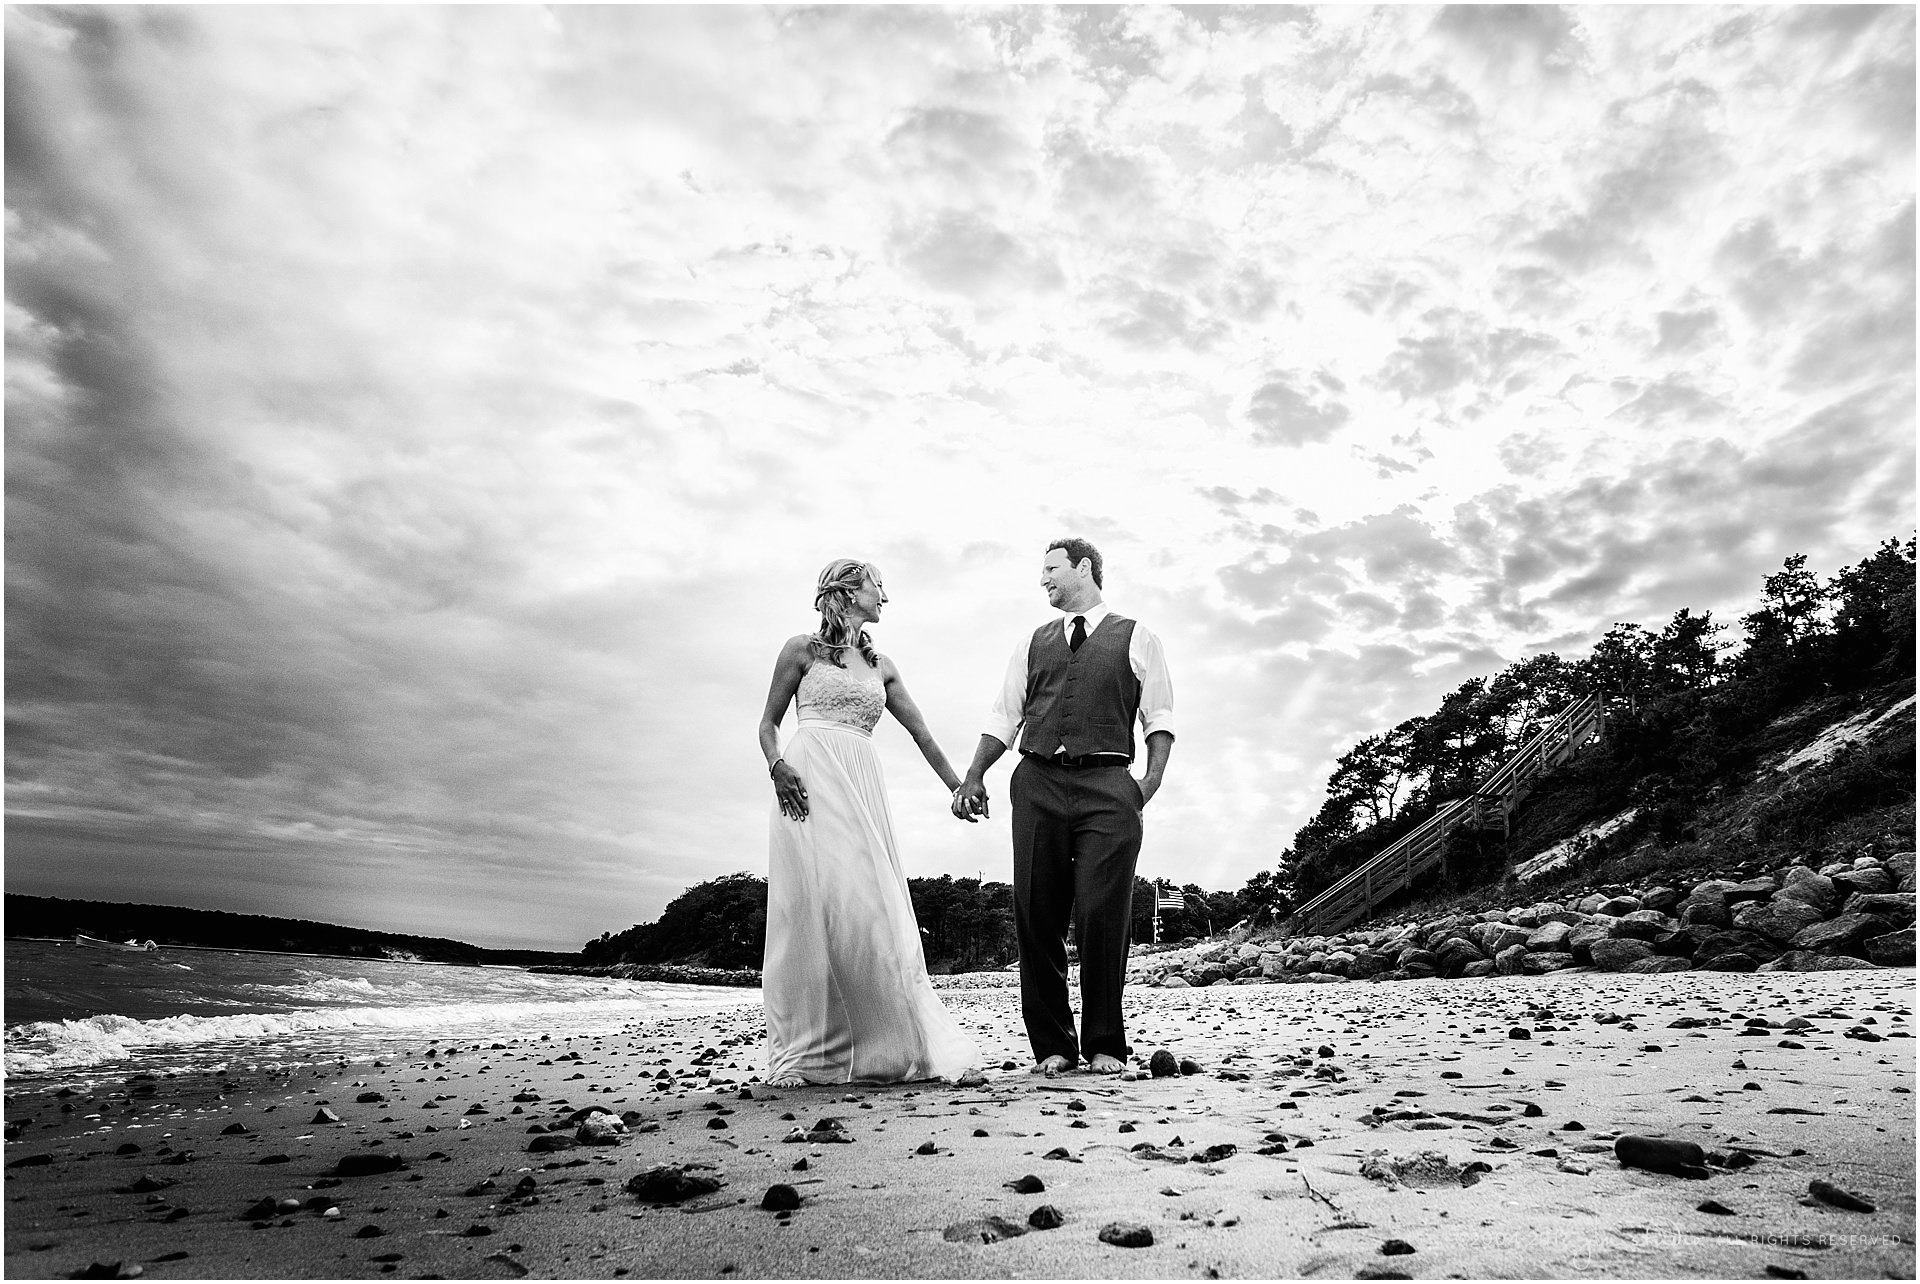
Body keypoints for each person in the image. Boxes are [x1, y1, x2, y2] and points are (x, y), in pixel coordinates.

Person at [757, 558, 985, 1088]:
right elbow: (767, 723)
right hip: (809, 782)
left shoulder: (882, 666)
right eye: (878, 586)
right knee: (808, 913)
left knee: (871, 912)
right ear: (847, 591)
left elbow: (923, 735)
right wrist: (777, 767)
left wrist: (959, 786)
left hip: (861, 782)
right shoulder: (801, 651)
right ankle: (806, 1052)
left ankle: (891, 1046)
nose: (885, 596)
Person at [953, 538, 1174, 1077]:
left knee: (1103, 914)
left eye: (1051, 568)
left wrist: (1145, 785)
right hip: (1037, 782)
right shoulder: (1032, 642)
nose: (1043, 579)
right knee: (1036, 912)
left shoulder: (1138, 637)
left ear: (1084, 568)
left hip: (1109, 785)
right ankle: (1052, 1045)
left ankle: (1105, 1044)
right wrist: (975, 774)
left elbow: (1159, 718)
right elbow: (1004, 716)